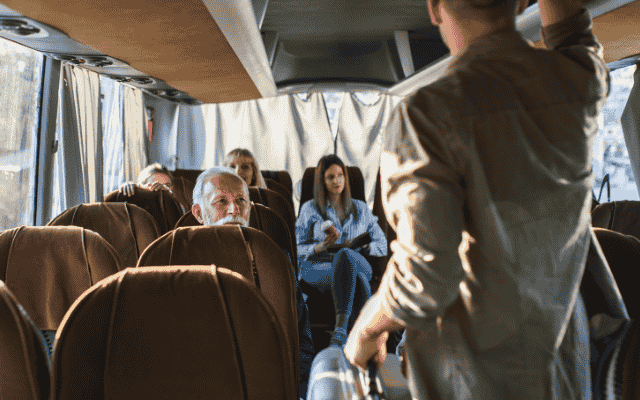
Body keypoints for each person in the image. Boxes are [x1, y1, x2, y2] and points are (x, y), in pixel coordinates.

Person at [342, 0, 609, 399]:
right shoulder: (579, 80)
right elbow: (572, 30)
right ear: (521, 2)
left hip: (471, 376)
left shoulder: (426, 115)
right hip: (566, 366)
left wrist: (367, 327)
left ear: (434, 9)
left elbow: (427, 278)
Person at [191, 166, 314, 399]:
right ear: (199, 213)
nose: (233, 210)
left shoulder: (276, 261)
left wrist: (295, 390)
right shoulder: (181, 261)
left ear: (249, 208)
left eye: (240, 200)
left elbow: (300, 339)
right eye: (220, 202)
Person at [295, 155, 387, 347]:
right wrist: (320, 246)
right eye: (330, 177)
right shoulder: (309, 209)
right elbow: (296, 248)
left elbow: (383, 245)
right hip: (319, 265)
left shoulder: (361, 208)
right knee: (357, 278)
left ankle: (341, 330)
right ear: (322, 181)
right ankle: (362, 340)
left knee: (346, 256)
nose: (337, 181)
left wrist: (364, 246)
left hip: (357, 259)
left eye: (340, 175)